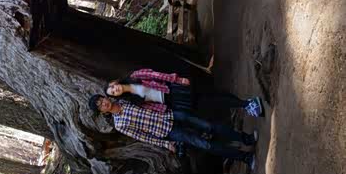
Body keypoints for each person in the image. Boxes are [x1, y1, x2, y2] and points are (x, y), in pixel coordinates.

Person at [88, 94, 258, 170]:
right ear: (103, 112)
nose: (103, 103)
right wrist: (165, 144)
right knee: (205, 144)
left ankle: (246, 139)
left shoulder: (124, 100)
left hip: (169, 114)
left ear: (105, 97)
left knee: (209, 126)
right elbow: (143, 136)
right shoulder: (119, 124)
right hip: (167, 131)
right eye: (100, 106)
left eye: (101, 100)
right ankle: (244, 157)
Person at [104, 68, 264, 117]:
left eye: (112, 87)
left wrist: (177, 79)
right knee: (211, 103)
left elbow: (156, 75)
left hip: (174, 89)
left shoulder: (135, 76)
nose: (115, 90)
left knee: (211, 94)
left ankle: (247, 103)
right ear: (116, 96)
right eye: (113, 93)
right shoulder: (132, 100)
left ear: (115, 83)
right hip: (172, 102)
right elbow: (150, 107)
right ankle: (245, 104)